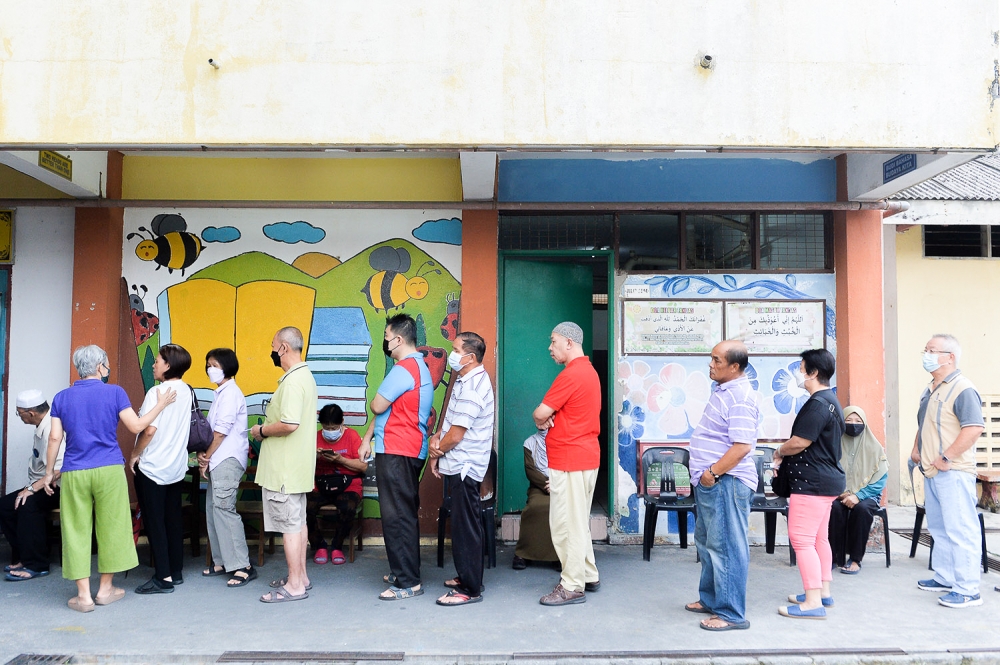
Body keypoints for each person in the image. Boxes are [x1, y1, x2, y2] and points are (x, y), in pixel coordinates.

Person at [41, 345, 176, 613]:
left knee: (76, 530)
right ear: (101, 365)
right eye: (106, 364)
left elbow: (55, 437)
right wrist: (160, 405)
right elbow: (137, 426)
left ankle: (83, 597)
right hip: (109, 469)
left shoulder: (61, 398)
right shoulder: (115, 392)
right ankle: (105, 590)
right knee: (112, 527)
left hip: (75, 470)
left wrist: (48, 473)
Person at [684, 340, 758, 631]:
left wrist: (712, 473)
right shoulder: (724, 391)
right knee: (708, 543)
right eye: (711, 358)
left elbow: (741, 446)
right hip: (714, 482)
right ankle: (712, 600)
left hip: (726, 481)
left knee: (726, 547)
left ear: (735, 366)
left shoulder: (739, 397)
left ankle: (730, 614)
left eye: (717, 360)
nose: (710, 364)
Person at [358, 313, 433, 600]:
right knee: (399, 515)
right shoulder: (415, 367)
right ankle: (403, 571)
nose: (385, 342)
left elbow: (377, 404)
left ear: (398, 339)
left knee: (398, 517)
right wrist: (368, 438)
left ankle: (408, 583)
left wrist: (370, 435)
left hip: (400, 450)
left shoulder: (405, 369)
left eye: (387, 337)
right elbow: (386, 411)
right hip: (399, 449)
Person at [910, 334, 985, 608]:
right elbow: (924, 422)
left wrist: (946, 456)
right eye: (925, 349)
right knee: (939, 528)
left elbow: (974, 428)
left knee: (960, 529)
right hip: (931, 470)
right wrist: (916, 448)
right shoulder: (931, 387)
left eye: (932, 350)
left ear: (950, 357)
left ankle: (967, 589)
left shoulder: (963, 389)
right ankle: (944, 577)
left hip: (953, 471)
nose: (926, 354)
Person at [533, 321, 601, 606]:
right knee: (578, 521)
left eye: (553, 342)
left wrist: (541, 418)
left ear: (569, 343)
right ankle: (587, 573)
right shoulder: (590, 372)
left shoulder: (571, 375)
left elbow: (540, 413)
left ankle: (571, 585)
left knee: (565, 525)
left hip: (570, 459)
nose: (550, 348)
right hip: (585, 457)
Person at [774, 348, 845, 620]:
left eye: (802, 368)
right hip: (826, 482)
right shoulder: (830, 400)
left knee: (802, 540)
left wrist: (780, 451)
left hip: (811, 483)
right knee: (818, 539)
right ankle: (822, 592)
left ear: (814, 372)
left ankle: (812, 602)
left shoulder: (817, 404)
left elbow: (800, 441)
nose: (799, 373)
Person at [250, 327, 318, 604]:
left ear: (284, 348)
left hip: (283, 470)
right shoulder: (305, 376)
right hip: (297, 468)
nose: (272, 350)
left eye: (273, 345)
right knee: (298, 523)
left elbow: (289, 423)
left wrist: (261, 430)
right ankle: (300, 577)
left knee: (290, 526)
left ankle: (293, 586)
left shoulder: (291, 382)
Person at [428, 331, 496, 606]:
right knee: (462, 524)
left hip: (466, 466)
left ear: (469, 356)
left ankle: (470, 588)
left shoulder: (472, 387)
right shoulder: (466, 379)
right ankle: (467, 575)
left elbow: (456, 435)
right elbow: (450, 424)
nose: (452, 354)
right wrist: (437, 444)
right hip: (458, 462)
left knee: (466, 527)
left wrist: (437, 450)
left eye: (456, 350)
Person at [130, 344, 195, 595]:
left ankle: (163, 578)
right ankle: (175, 571)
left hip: (153, 466)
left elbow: (148, 430)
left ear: (168, 365)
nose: (154, 364)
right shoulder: (186, 391)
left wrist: (134, 456)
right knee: (172, 519)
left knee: (155, 522)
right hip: (176, 467)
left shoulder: (157, 393)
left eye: (157, 360)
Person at [199, 348, 256, 587]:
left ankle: (243, 565)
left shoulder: (231, 393)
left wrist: (206, 457)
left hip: (226, 459)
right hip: (217, 459)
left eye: (214, 364)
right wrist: (207, 457)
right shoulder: (220, 394)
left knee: (224, 508)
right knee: (214, 509)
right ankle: (222, 560)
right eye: (208, 364)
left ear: (226, 367)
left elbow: (221, 431)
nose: (209, 369)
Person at [0, 390, 66, 581]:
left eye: (19, 413)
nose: (19, 416)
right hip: (42, 483)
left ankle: (37, 564)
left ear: (31, 413)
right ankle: (24, 556)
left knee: (27, 505)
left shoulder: (53, 428)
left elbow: (59, 470)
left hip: (58, 486)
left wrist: (30, 490)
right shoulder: (42, 426)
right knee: (5, 506)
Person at [828, 405, 889, 574]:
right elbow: (827, 470)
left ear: (865, 423)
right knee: (833, 508)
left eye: (858, 421)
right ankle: (833, 556)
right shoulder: (834, 444)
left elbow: (881, 479)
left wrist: (859, 495)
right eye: (848, 420)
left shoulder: (874, 447)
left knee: (862, 510)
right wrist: (842, 493)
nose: (853, 424)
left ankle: (855, 559)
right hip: (839, 493)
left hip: (868, 495)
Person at [307, 403, 366, 566]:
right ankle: (319, 545)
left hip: (349, 485)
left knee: (347, 507)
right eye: (327, 427)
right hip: (320, 484)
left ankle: (337, 546)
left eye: (334, 428)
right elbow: (302, 465)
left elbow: (363, 466)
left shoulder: (353, 437)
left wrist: (341, 460)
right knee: (304, 507)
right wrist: (315, 457)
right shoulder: (314, 437)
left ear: (342, 423)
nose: (330, 431)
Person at [511, 430, 559, 570]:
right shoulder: (530, 442)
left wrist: (557, 483)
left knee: (559, 508)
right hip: (539, 486)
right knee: (534, 507)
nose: (543, 424)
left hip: (561, 485)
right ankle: (523, 554)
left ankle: (558, 555)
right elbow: (530, 470)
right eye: (540, 421)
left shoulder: (562, 440)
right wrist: (547, 484)